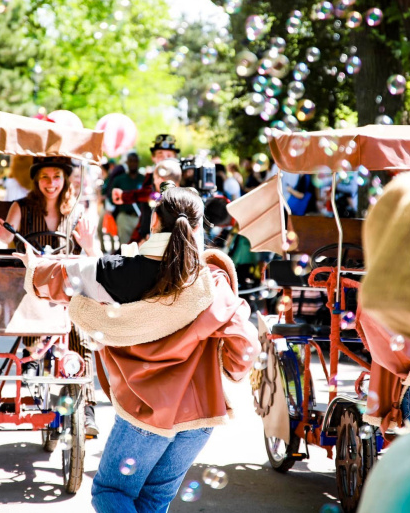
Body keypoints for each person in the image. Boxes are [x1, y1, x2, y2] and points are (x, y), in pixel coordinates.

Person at [22, 185, 259, 512]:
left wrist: (33, 266)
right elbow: (246, 345)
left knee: (110, 492)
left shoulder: (113, 272)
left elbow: (59, 276)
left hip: (147, 414)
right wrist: (228, 368)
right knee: (154, 499)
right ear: (197, 228)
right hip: (202, 415)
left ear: (153, 223)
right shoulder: (211, 281)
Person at [0, 156, 102, 436]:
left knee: (80, 330)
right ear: (36, 181)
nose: (51, 183)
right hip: (31, 286)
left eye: (57, 177)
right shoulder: (22, 207)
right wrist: (5, 237)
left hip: (67, 287)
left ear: (65, 179)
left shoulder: (77, 211)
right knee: (33, 304)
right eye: (45, 178)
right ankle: (31, 357)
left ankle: (87, 408)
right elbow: (8, 238)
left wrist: (89, 245)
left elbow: (95, 255)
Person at [128, 158, 182, 244]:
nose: (154, 182)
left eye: (155, 179)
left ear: (161, 180)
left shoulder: (159, 203)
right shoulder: (189, 200)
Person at [110, 152, 143, 245]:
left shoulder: (144, 179)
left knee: (141, 245)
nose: (133, 163)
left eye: (135, 161)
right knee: (125, 246)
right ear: (127, 163)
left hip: (140, 217)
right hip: (124, 217)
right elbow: (111, 198)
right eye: (130, 161)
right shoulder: (119, 179)